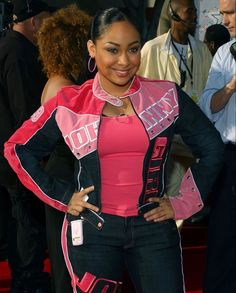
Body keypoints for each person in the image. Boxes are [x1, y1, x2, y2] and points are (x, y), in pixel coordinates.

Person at [4, 7, 224, 293]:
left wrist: (181, 202)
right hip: (94, 231)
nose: (124, 61)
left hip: (153, 228)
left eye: (133, 49)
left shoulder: (165, 95)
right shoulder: (70, 102)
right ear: (92, 49)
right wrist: (62, 195)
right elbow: (18, 148)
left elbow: (211, 147)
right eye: (112, 49)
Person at [138, 0, 212, 227]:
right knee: (168, 187)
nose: (195, 15)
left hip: (193, 133)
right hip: (164, 135)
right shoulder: (152, 49)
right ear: (173, 13)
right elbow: (140, 92)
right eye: (189, 11)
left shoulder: (200, 50)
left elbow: (208, 89)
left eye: (195, 10)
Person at [36, 5, 91, 292]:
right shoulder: (66, 89)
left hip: (60, 175)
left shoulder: (54, 81)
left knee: (64, 261)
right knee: (73, 263)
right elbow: (79, 143)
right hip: (68, 179)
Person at [0, 0, 53, 292]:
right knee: (26, 221)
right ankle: (28, 280)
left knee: (18, 220)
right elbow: (24, 111)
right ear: (33, 21)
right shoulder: (18, 52)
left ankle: (26, 275)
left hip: (10, 155)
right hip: (19, 157)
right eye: (45, 20)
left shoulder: (9, 46)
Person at [198, 0, 236, 292]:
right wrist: (232, 85)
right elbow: (208, 106)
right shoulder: (225, 53)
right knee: (224, 237)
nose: (224, 19)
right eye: (222, 12)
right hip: (230, 159)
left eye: (231, 12)